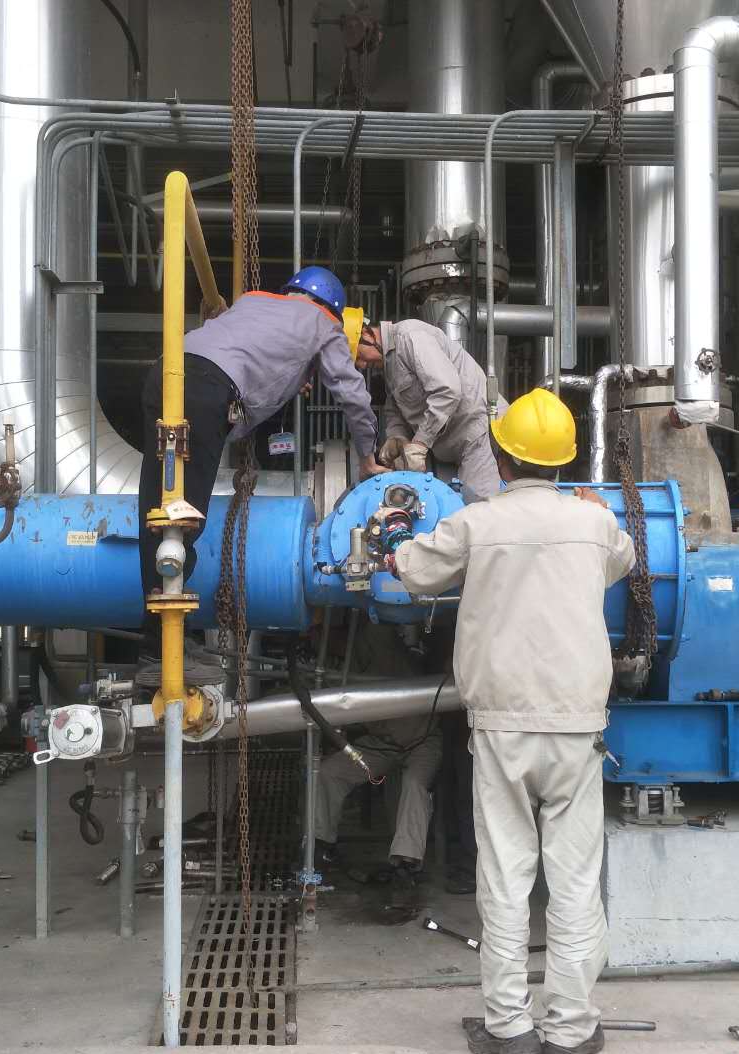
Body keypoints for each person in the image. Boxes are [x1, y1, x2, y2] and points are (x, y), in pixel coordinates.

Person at [391, 388, 634, 1054]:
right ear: (564, 462)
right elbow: (623, 561)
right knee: (575, 880)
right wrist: (596, 511)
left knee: (505, 875)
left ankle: (508, 1027)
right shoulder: (594, 525)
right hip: (578, 724)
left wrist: (392, 532)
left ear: (500, 457)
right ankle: (571, 1030)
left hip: (501, 725)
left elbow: (411, 571)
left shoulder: (476, 522)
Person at [137, 267, 386, 651]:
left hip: (166, 374)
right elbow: (352, 394)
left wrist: (295, 374)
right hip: (206, 391)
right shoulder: (325, 324)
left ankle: (154, 640)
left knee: (156, 511)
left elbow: (249, 348)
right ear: (333, 309)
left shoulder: (252, 301)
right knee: (182, 519)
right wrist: (368, 455)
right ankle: (165, 648)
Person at [312, 624, 441, 907]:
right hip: (382, 743)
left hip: (422, 738)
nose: (321, 643)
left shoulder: (375, 634)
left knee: (414, 785)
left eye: (322, 636)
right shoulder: (340, 662)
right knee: (329, 772)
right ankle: (320, 846)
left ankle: (405, 865)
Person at [351, 318, 502, 502]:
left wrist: (420, 443)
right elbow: (395, 407)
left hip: (477, 433)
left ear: (366, 334)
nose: (361, 365)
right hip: (451, 444)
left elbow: (447, 391)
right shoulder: (389, 361)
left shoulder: (411, 337)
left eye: (358, 356)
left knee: (479, 507)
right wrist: (397, 436)